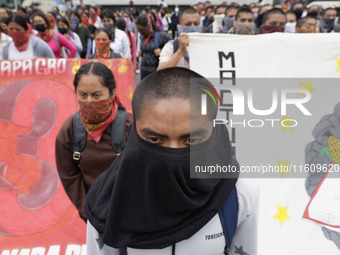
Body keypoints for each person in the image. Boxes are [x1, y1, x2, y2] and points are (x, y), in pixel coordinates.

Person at [85, 67, 258, 255]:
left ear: (214, 130)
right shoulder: (107, 201)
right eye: (154, 139)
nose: (173, 153)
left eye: (191, 140)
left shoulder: (238, 194)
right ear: (135, 130)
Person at [55, 62, 133, 221]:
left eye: (97, 95)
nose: (89, 101)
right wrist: (90, 213)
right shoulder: (69, 132)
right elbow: (70, 177)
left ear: (112, 94)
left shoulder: (131, 128)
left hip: (130, 213)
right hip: (93, 217)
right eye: (83, 95)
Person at [136, 15, 170, 79]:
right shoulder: (142, 37)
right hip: (144, 72)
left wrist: (162, 51)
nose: (140, 32)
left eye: (141, 30)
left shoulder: (161, 35)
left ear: (148, 26)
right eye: (138, 30)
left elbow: (173, 47)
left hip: (156, 73)